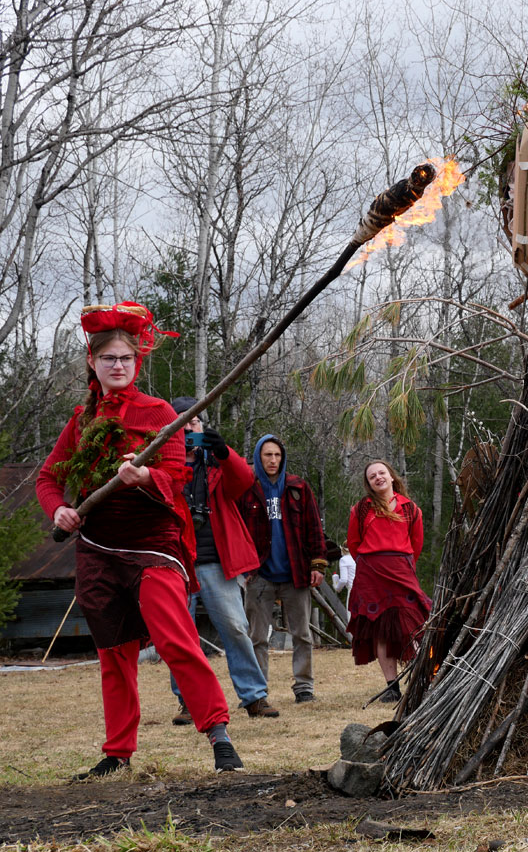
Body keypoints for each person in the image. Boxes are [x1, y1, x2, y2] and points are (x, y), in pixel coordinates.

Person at [36, 301, 243, 778]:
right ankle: (117, 753)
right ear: (93, 362)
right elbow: (49, 479)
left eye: (125, 359)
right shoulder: (81, 420)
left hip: (153, 544)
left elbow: (177, 474)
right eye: (108, 358)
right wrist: (60, 510)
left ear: (136, 362)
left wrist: (145, 474)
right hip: (99, 549)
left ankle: (219, 736)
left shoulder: (160, 414)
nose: (117, 366)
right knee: (114, 651)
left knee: (175, 639)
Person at [167, 397, 279, 725]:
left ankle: (254, 697)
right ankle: (188, 702)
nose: (189, 428)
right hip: (175, 561)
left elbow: (244, 482)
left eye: (195, 422)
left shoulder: (217, 462)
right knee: (180, 636)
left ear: (203, 427)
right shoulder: (161, 464)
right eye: (181, 422)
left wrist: (224, 452)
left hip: (217, 560)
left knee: (236, 628)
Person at [239, 434, 327, 703]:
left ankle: (304, 688)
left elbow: (314, 527)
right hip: (259, 574)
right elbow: (237, 529)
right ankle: (257, 692)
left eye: (277, 455)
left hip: (295, 573)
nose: (273, 460)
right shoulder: (246, 489)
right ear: (258, 457)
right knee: (256, 637)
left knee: (302, 633)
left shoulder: (297, 487)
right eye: (267, 455)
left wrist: (318, 564)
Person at [345, 460, 430, 703]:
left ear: (391, 477)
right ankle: (391, 687)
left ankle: (420, 680)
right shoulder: (360, 510)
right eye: (372, 476)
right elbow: (354, 544)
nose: (378, 477)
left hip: (402, 573)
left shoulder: (411, 509)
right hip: (371, 577)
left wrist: (400, 565)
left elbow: (416, 545)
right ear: (369, 483)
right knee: (381, 632)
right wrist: (372, 564)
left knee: (412, 625)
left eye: (382, 473)